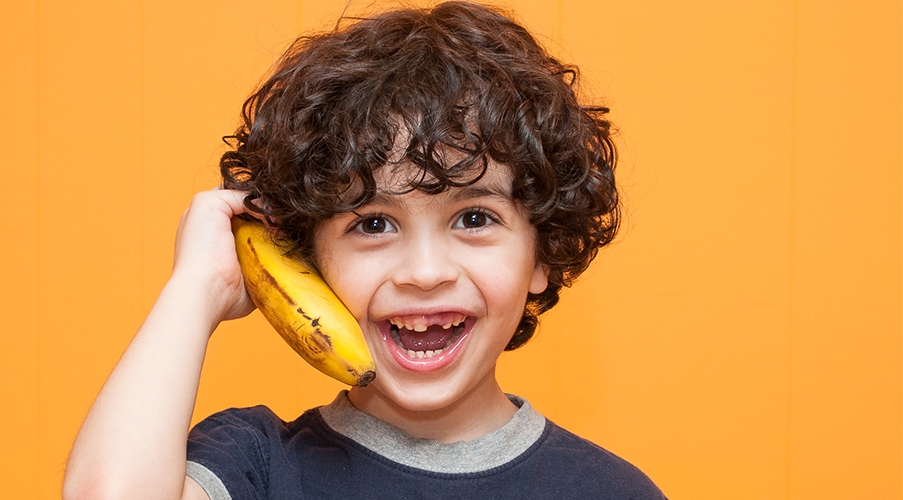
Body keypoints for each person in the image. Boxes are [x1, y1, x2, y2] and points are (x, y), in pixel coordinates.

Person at [63, 2, 667, 499]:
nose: (424, 273)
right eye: (374, 224)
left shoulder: (611, 490)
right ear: (306, 260)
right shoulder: (255, 463)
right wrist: (196, 289)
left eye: (474, 218)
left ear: (541, 251)